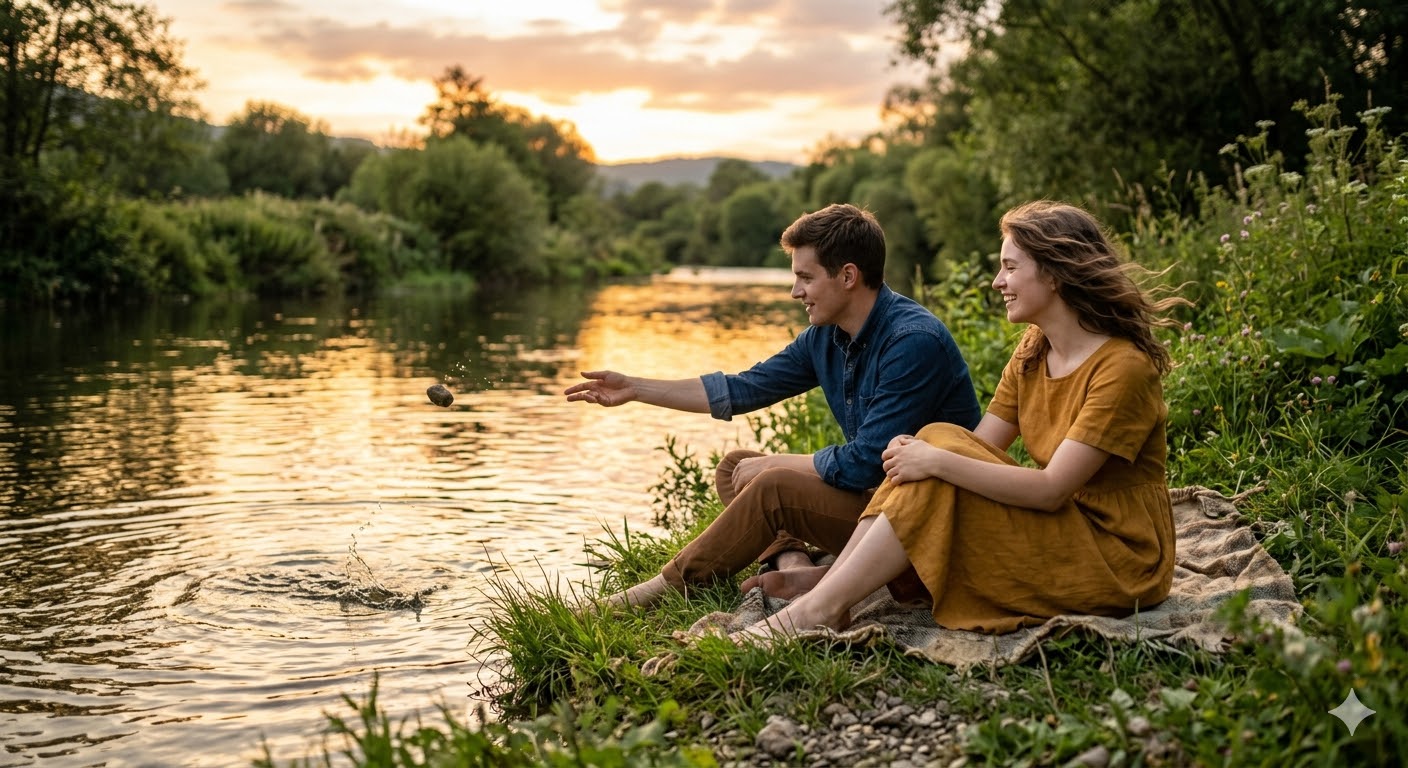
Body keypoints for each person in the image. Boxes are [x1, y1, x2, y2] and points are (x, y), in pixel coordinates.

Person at [733, 200, 1189, 641]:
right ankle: (828, 597)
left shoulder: (1122, 369)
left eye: (1010, 267)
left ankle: (819, 605)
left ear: (1054, 274)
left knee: (935, 451)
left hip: (1117, 559)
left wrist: (934, 461)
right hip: (1064, 527)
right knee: (935, 440)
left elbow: (1051, 489)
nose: (997, 281)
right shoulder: (1034, 351)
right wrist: (927, 460)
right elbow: (977, 447)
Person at [564, 203, 982, 609]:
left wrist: (775, 464)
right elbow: (744, 388)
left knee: (772, 483)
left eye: (805, 278)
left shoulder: (912, 341)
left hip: (925, 525)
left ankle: (665, 587)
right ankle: (796, 565)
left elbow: (864, 464)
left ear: (848, 276)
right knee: (735, 467)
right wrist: (635, 387)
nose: (795, 292)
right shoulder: (826, 336)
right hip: (876, 504)